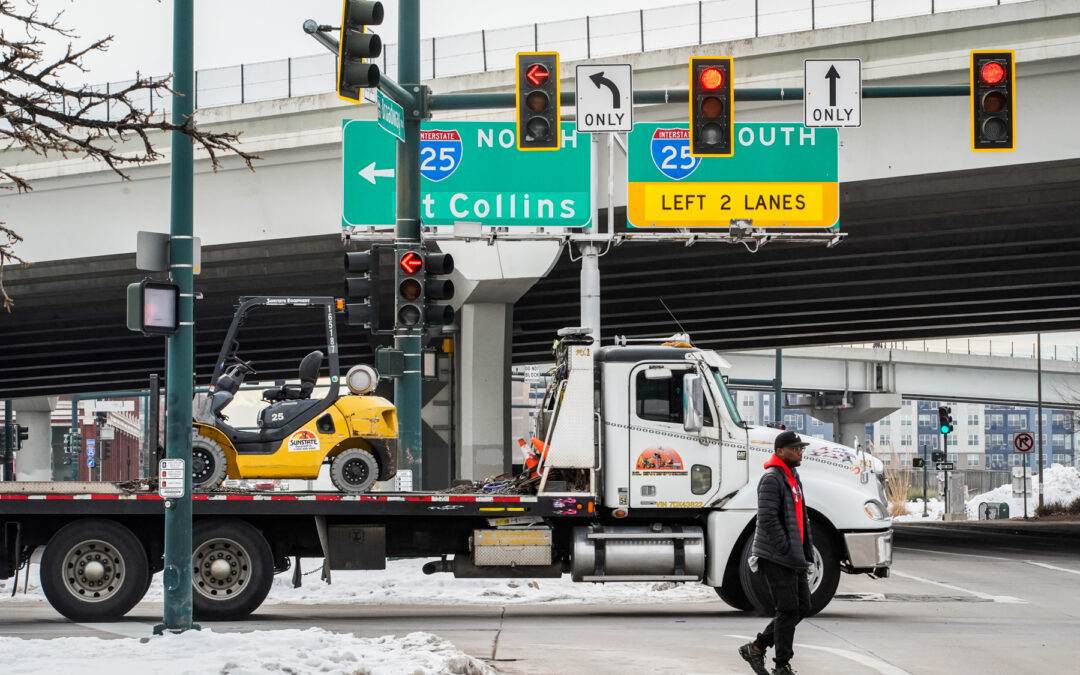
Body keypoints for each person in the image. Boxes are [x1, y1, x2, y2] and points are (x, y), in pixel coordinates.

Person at [739, 430, 814, 675]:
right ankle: (782, 666)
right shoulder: (771, 478)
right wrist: (784, 547)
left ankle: (758, 646)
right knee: (788, 609)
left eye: (801, 448)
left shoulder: (792, 476)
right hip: (776, 556)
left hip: (794, 555)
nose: (799, 452)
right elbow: (768, 518)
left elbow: (800, 517)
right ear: (780, 451)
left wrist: (804, 550)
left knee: (802, 606)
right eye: (795, 448)